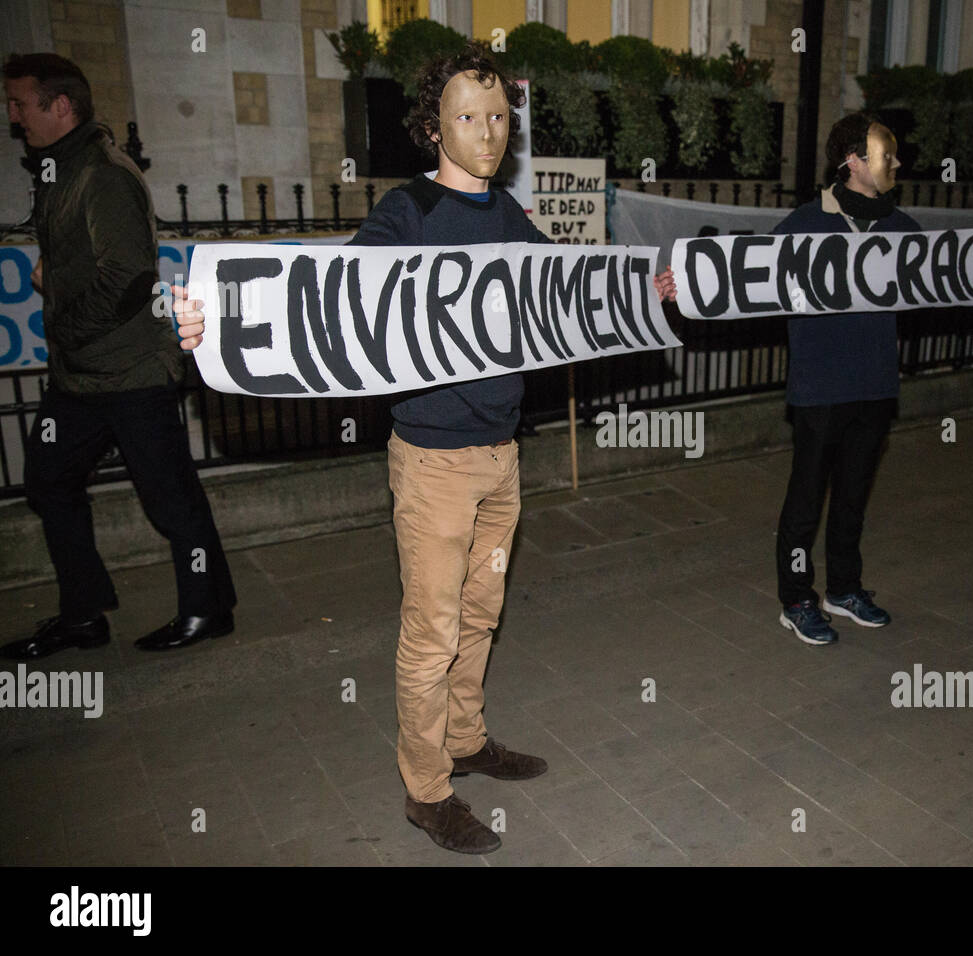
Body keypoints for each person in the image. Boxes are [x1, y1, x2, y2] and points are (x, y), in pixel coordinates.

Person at [172, 43, 676, 854]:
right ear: (435, 128)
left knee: (482, 611)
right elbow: (329, 296)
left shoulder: (510, 218)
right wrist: (211, 320)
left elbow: (566, 296)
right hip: (434, 464)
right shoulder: (406, 213)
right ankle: (426, 789)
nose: (486, 132)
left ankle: (467, 739)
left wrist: (637, 291)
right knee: (432, 628)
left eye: (498, 118)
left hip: (501, 458)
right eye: (468, 118)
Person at [0, 53, 236, 662]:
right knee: (49, 481)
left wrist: (67, 327)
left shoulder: (102, 172)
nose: (13, 114)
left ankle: (207, 608)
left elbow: (130, 276)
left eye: (22, 103)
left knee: (170, 498)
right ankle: (83, 614)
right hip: (80, 378)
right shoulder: (58, 170)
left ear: (61, 105)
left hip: (131, 372)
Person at [773, 113, 918, 646]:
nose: (897, 164)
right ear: (854, 161)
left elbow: (954, 275)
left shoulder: (901, 228)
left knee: (854, 494)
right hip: (819, 389)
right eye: (887, 155)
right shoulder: (804, 224)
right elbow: (746, 277)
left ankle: (845, 587)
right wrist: (687, 285)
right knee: (806, 501)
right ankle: (796, 598)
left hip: (876, 386)